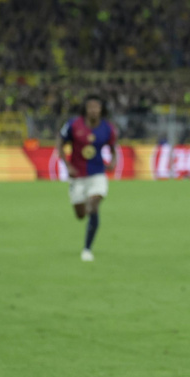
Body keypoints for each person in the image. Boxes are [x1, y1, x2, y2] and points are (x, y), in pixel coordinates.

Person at [55, 95, 117, 262]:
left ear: (101, 109)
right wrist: (67, 165)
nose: (94, 110)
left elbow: (113, 147)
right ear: (85, 109)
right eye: (91, 107)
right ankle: (87, 208)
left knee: (95, 202)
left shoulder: (107, 128)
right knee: (80, 214)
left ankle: (87, 249)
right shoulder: (74, 125)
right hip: (78, 176)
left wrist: (113, 161)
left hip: (97, 173)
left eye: (97, 107)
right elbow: (60, 142)